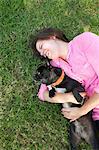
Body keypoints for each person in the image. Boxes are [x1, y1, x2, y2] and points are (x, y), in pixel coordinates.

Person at [31, 27, 99, 128]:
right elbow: (42, 93)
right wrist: (67, 97)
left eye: (41, 46)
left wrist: (82, 110)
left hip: (90, 106)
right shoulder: (55, 64)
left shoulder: (85, 41)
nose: (43, 53)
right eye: (41, 54)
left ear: (52, 36)